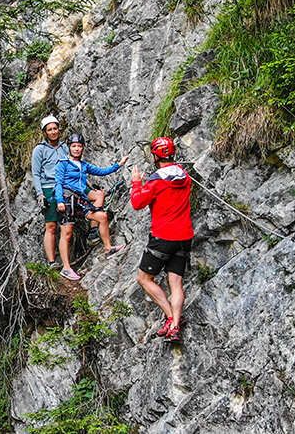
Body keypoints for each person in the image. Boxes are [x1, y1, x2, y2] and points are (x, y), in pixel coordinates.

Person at [130, 136, 194, 343]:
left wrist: (136, 182)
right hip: (184, 236)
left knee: (144, 278)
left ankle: (170, 317)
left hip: (163, 237)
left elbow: (137, 203)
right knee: (176, 282)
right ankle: (175, 325)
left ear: (155, 156)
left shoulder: (156, 181)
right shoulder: (185, 177)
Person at [55, 133, 128, 281]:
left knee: (102, 216)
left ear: (82, 148)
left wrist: (118, 165)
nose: (76, 149)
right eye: (74, 146)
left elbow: (101, 171)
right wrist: (59, 201)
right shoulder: (62, 163)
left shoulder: (84, 165)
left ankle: (108, 248)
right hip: (68, 200)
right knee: (67, 233)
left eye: (79, 146)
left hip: (80, 201)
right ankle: (66, 268)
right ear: (69, 147)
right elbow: (58, 182)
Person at [31, 115, 69, 268]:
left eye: (55, 128)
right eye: (50, 130)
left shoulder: (65, 147)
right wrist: (40, 194)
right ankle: (52, 261)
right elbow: (36, 173)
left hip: (65, 187)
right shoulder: (39, 150)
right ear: (45, 133)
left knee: (66, 224)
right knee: (51, 225)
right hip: (48, 188)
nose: (53, 132)